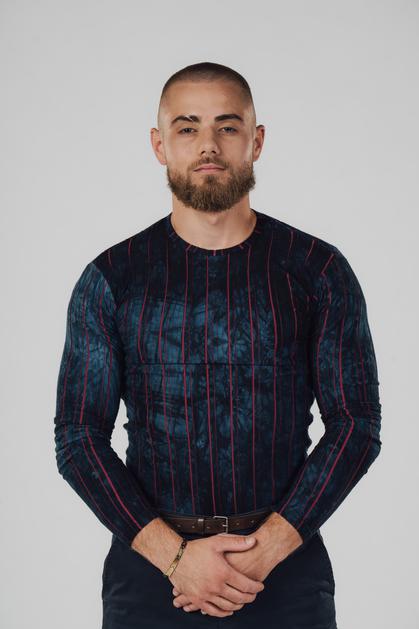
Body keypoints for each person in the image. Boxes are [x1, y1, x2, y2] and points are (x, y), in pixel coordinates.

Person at [53, 61, 382, 628]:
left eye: (228, 127)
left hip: (286, 574)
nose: (208, 144)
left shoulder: (317, 270)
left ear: (257, 141)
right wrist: (176, 559)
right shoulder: (111, 279)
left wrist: (266, 551)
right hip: (150, 577)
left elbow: (357, 424)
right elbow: (78, 436)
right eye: (187, 128)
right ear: (160, 145)